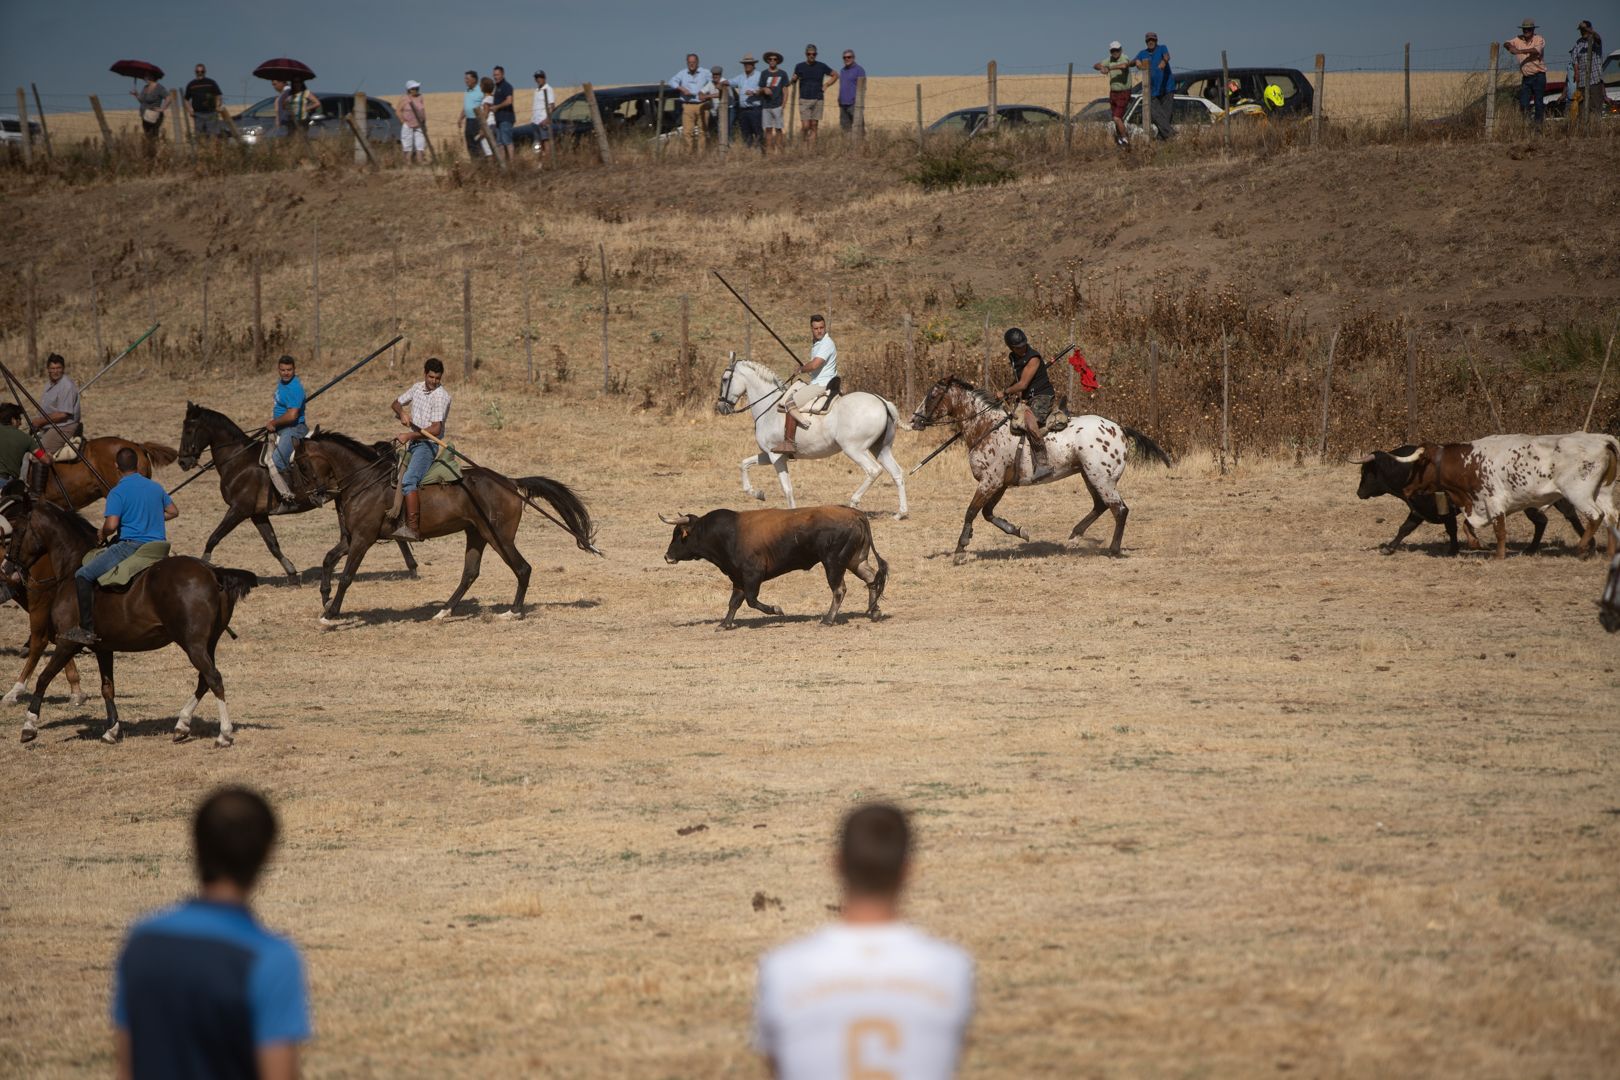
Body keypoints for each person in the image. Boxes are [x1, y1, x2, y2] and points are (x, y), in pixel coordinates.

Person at [754, 803, 974, 1080]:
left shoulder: (782, 969)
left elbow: (777, 1066)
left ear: (836, 864)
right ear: (908, 870)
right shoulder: (951, 968)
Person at [112, 787, 311, 1080]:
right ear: (266, 854)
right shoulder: (270, 960)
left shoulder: (142, 943)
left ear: (196, 846)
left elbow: (126, 1069)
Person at [62, 447, 177, 646]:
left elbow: (112, 525)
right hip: (158, 547)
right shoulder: (155, 487)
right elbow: (173, 511)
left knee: (83, 575)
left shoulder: (117, 492)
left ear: (116, 467)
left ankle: (86, 630)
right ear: (137, 465)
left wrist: (102, 532)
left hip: (130, 547)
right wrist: (153, 518)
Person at [390, 358, 452, 541]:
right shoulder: (417, 388)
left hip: (428, 445)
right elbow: (395, 403)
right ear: (425, 373)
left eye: (438, 378)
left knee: (409, 480)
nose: (434, 381)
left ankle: (413, 529)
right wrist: (402, 413)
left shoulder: (441, 396)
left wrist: (409, 435)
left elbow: (435, 429)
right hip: (414, 443)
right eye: (431, 377)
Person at [772, 314, 838, 456]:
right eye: (816, 328)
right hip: (817, 381)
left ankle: (789, 442)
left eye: (822, 327)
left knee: (790, 401)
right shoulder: (817, 344)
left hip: (822, 384)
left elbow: (815, 364)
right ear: (811, 329)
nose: (819, 331)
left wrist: (801, 369)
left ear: (825, 327)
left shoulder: (827, 343)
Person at [1001, 327, 1054, 481]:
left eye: (1024, 345)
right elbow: (1019, 380)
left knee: (1030, 423)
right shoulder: (1013, 357)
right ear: (1011, 348)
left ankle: (1043, 464)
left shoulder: (1033, 358)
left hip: (1042, 396)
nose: (1022, 349)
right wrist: (1015, 394)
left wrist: (1005, 392)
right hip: (1027, 398)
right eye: (1018, 347)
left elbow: (1023, 384)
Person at [266, 355, 308, 513]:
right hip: (280, 428)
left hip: (293, 428)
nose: (286, 373)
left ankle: (291, 498)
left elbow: (292, 415)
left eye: (289, 370)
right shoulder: (282, 384)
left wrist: (273, 423)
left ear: (294, 369)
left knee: (277, 460)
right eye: (282, 370)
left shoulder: (295, 388)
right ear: (278, 369)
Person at [34, 352, 82, 454]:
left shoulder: (66, 386)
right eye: (52, 368)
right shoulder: (49, 384)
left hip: (64, 426)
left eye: (58, 368)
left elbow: (63, 414)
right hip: (51, 425)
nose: (55, 371)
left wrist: (40, 421)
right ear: (48, 369)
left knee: (39, 454)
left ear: (63, 369)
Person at [1503, 19, 1548, 126]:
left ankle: (1538, 125)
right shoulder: (1518, 39)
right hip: (1526, 77)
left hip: (1539, 76)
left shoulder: (1539, 39)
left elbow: (1536, 50)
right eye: (1524, 29)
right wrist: (1510, 47)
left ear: (1533, 30)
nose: (1526, 31)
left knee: (1538, 103)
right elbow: (1506, 43)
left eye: (1528, 29)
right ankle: (1526, 124)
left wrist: (1519, 51)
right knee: (1523, 103)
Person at [789, 45, 836, 146]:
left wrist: (827, 84)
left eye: (813, 54)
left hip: (818, 99)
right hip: (804, 99)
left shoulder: (822, 66)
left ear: (816, 54)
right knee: (806, 126)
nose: (811, 56)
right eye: (809, 54)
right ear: (806, 54)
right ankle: (802, 145)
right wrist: (793, 79)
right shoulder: (799, 66)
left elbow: (835, 75)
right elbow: (793, 80)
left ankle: (811, 150)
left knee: (814, 125)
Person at [668, 54, 713, 151]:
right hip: (688, 105)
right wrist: (681, 88)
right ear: (687, 63)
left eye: (693, 62)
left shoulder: (705, 72)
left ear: (697, 62)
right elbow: (671, 81)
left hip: (702, 105)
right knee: (687, 131)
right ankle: (689, 154)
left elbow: (713, 82)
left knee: (703, 131)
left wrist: (705, 91)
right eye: (689, 62)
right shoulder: (682, 73)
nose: (691, 64)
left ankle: (702, 154)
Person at [1134, 31, 1173, 140]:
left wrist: (1164, 62)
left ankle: (1162, 141)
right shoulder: (1142, 53)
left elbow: (1167, 56)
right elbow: (1133, 62)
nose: (1151, 42)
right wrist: (1137, 61)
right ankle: (1172, 136)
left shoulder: (1162, 48)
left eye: (1153, 40)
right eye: (1148, 40)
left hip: (1167, 89)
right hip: (1152, 91)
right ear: (1146, 42)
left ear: (1156, 41)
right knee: (1157, 115)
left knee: (1166, 116)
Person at [1094, 41, 1133, 146]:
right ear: (1110, 51)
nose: (1115, 52)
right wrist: (1101, 67)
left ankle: (1125, 139)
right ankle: (1120, 138)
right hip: (1113, 92)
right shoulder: (1109, 60)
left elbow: (1124, 66)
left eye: (1117, 50)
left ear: (1121, 50)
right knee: (1116, 118)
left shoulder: (1124, 57)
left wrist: (1109, 68)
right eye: (1113, 50)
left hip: (1123, 92)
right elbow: (1096, 65)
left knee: (1116, 117)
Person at [1571, 20, 1607, 126]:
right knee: (1582, 107)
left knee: (1595, 105)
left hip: (1594, 78)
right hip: (1582, 80)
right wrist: (1576, 73)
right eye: (1581, 30)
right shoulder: (1578, 43)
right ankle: (1584, 127)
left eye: (1584, 29)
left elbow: (1598, 38)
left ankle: (1596, 127)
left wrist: (1589, 31)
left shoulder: (1594, 40)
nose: (1582, 32)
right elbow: (1575, 60)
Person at [0, 404, 40, 489]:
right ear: (13, 420)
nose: (21, 423)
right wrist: (50, 457)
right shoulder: (26, 438)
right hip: (6, 484)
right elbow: (44, 459)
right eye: (19, 419)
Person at [732, 55, 765, 150]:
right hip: (743, 110)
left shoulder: (759, 75)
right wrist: (721, 82)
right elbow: (730, 82)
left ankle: (761, 152)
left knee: (758, 131)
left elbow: (763, 88)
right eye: (745, 64)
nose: (747, 65)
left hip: (755, 109)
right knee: (746, 133)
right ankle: (749, 153)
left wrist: (754, 92)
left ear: (754, 64)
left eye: (749, 63)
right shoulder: (740, 77)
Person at [184, 63, 223, 138]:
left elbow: (218, 95)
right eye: (198, 72)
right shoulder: (191, 84)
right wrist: (190, 110)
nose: (200, 73)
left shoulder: (211, 82)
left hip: (211, 113)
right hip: (198, 114)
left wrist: (217, 106)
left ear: (205, 72)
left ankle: (212, 150)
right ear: (195, 72)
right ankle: (202, 150)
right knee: (199, 137)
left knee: (213, 136)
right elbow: (186, 99)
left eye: (202, 71)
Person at [760, 51, 789, 153]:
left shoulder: (782, 73)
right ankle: (769, 151)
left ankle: (780, 150)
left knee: (778, 129)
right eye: (770, 59)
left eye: (775, 59)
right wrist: (764, 89)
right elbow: (761, 87)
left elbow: (785, 90)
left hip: (778, 106)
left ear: (778, 61)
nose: (772, 61)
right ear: (768, 61)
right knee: (768, 129)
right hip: (766, 106)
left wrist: (783, 105)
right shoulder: (764, 73)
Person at [490, 65, 516, 162]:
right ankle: (503, 166)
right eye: (494, 75)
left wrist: (497, 107)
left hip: (506, 118)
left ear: (502, 74)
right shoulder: (495, 87)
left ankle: (512, 164)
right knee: (499, 143)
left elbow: (509, 101)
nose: (495, 77)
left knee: (507, 142)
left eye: (497, 75)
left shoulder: (506, 86)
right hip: (498, 120)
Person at [132, 73, 168, 143]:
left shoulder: (159, 88)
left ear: (152, 77)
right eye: (145, 76)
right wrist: (136, 95)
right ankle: (150, 151)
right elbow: (142, 101)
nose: (144, 78)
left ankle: (155, 151)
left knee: (154, 135)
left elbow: (168, 97)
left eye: (146, 76)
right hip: (145, 116)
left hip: (154, 115)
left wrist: (163, 108)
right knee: (147, 136)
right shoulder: (145, 87)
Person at [530, 70, 556, 166]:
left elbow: (552, 106)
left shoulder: (548, 89)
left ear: (544, 78)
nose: (538, 79)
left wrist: (547, 119)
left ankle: (547, 163)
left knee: (546, 142)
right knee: (537, 145)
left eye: (540, 77)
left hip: (543, 121)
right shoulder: (536, 90)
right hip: (535, 121)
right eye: (536, 77)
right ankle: (539, 163)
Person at [837, 49, 866, 133]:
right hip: (843, 104)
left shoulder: (859, 70)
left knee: (859, 128)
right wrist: (839, 99)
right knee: (845, 129)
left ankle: (860, 145)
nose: (846, 59)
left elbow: (862, 88)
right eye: (844, 57)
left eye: (849, 57)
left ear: (853, 58)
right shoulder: (842, 71)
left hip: (854, 104)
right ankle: (847, 146)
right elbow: (842, 86)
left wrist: (858, 102)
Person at [399, 81, 427, 163]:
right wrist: (403, 121)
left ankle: (420, 162)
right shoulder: (404, 98)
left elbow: (422, 109)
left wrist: (424, 121)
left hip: (419, 125)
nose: (416, 90)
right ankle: (407, 163)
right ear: (409, 90)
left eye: (417, 88)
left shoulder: (420, 97)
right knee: (407, 145)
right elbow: (398, 111)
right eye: (414, 89)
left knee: (420, 145)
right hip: (408, 125)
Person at [462, 70, 483, 158]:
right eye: (465, 79)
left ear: (474, 79)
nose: (465, 81)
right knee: (469, 142)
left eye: (467, 78)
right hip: (468, 120)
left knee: (476, 143)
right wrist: (460, 118)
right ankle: (473, 162)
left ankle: (481, 163)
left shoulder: (480, 91)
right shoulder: (467, 91)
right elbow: (466, 106)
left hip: (476, 121)